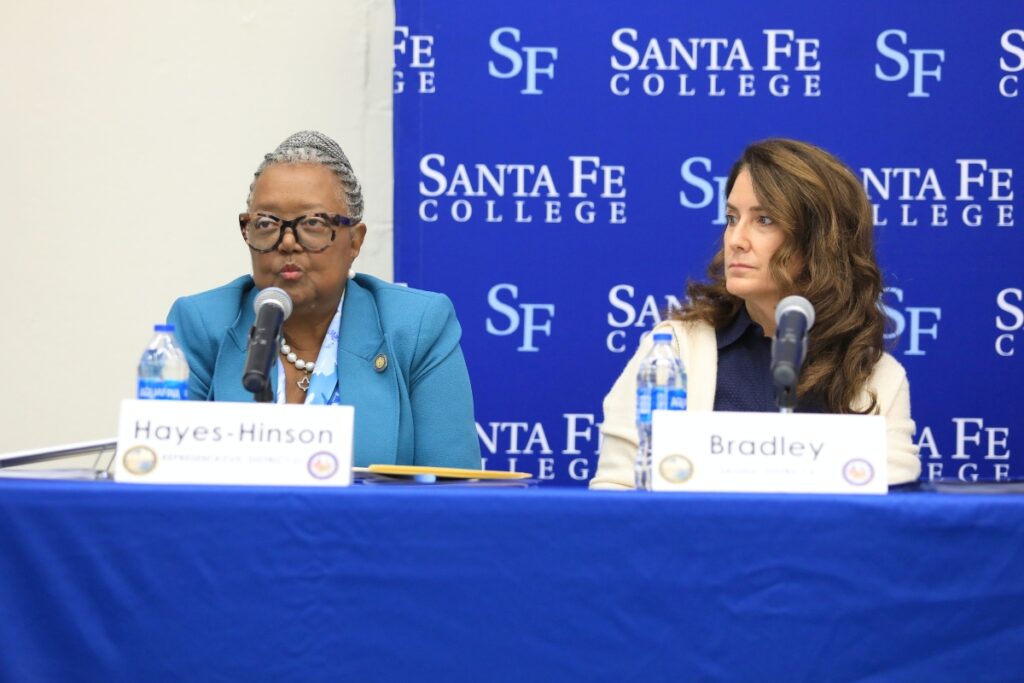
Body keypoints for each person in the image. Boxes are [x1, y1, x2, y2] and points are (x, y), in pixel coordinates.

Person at [591, 138, 921, 488]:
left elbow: (893, 508)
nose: (736, 239)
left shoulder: (876, 376)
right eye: (732, 218)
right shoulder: (673, 351)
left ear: (821, 241)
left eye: (763, 220)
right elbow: (618, 490)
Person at [167, 130, 481, 469]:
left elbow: (453, 493)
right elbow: (163, 480)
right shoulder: (201, 324)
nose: (287, 242)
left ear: (355, 242)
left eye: (313, 223)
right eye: (266, 223)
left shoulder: (417, 327)